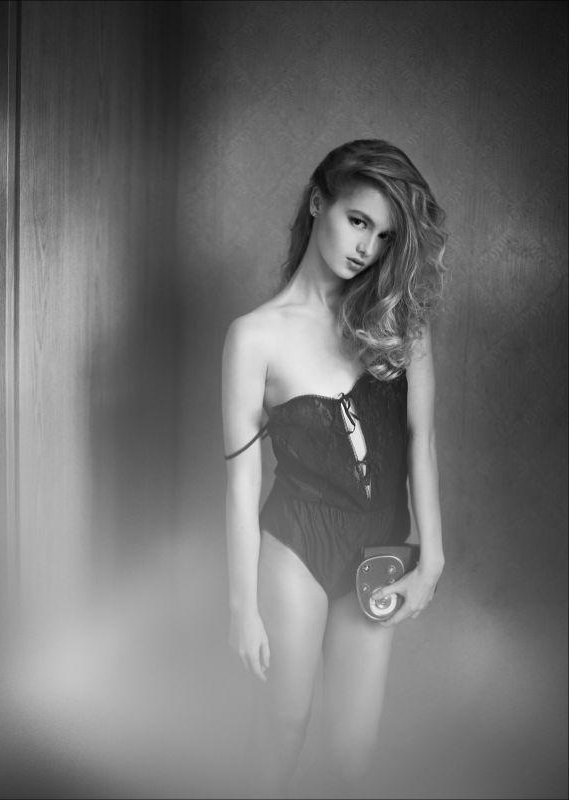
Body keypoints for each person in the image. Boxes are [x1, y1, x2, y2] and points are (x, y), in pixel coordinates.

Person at [221, 139, 446, 798]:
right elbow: (241, 482)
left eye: (384, 235)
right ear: (318, 202)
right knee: (282, 730)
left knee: (350, 755)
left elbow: (421, 439)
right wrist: (241, 607)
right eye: (357, 221)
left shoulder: (400, 321)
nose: (366, 247)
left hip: (378, 547)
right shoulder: (254, 336)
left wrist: (432, 560)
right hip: (295, 543)